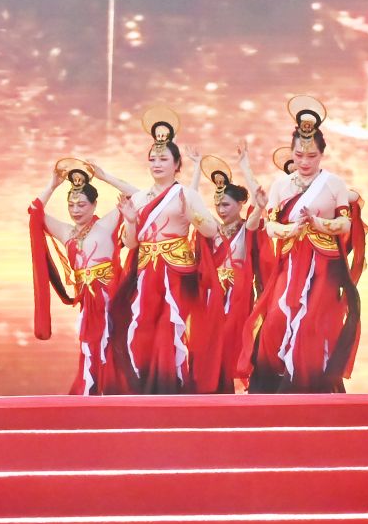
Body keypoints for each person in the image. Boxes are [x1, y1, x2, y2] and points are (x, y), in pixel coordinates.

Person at [238, 97, 367, 393]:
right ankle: (272, 384)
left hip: (323, 264)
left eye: (311, 156)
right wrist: (291, 229)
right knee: (276, 319)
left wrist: (317, 223)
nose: (305, 162)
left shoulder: (333, 183)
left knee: (311, 323)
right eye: (299, 155)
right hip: (292, 261)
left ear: (322, 154)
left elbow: (345, 224)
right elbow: (271, 226)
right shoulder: (281, 185)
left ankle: (311, 387)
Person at [109, 106, 218, 395]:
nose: (157, 164)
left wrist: (191, 214)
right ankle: (144, 383)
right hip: (146, 270)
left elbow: (211, 230)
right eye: (152, 159)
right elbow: (131, 244)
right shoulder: (140, 198)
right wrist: (130, 220)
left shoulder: (186, 194)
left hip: (176, 269)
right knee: (143, 323)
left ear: (177, 164)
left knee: (171, 325)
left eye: (163, 159)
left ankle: (172, 384)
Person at [27, 158, 133, 396]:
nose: (75, 211)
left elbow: (137, 196)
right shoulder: (66, 232)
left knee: (113, 343)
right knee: (91, 346)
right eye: (71, 205)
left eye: (82, 205)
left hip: (110, 296)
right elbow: (34, 212)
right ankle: (92, 392)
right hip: (86, 299)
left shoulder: (106, 224)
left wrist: (105, 177)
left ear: (94, 205)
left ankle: (116, 392)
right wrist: (52, 185)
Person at [191, 149, 267, 394]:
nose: (220, 209)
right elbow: (191, 204)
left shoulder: (247, 229)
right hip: (213, 296)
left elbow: (256, 213)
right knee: (211, 342)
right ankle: (213, 388)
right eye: (217, 205)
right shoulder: (213, 229)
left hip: (238, 295)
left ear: (240, 204)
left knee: (232, 340)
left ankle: (232, 390)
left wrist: (245, 166)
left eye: (225, 204)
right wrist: (196, 167)